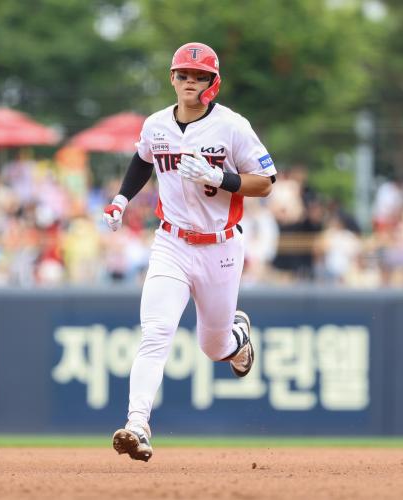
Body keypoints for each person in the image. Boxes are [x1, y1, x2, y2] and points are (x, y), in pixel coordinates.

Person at [103, 42, 276, 462]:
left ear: (213, 83)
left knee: (213, 347)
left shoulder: (232, 126)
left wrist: (222, 177)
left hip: (221, 246)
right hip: (172, 242)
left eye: (199, 76)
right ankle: (137, 425)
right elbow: (143, 159)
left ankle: (237, 338)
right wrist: (122, 199)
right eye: (183, 75)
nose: (190, 82)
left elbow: (267, 180)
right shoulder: (157, 124)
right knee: (156, 332)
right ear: (172, 78)